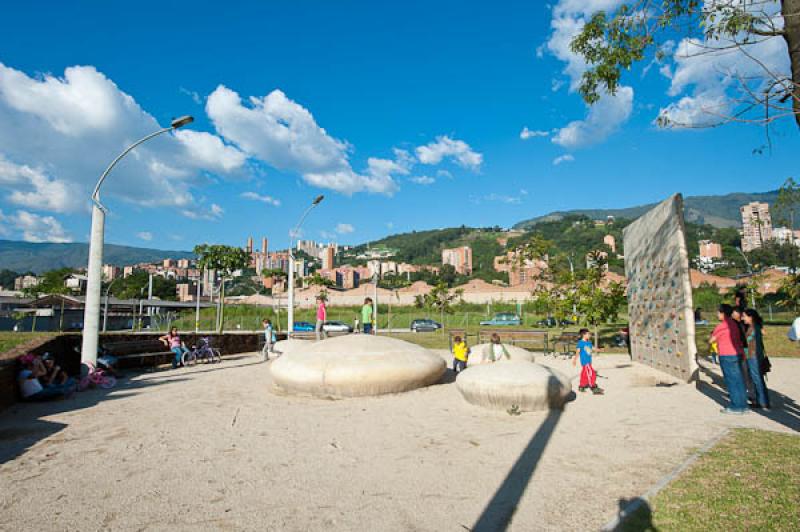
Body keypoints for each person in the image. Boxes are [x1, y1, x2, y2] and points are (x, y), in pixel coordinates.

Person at [710, 304, 748, 414]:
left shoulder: (722, 326)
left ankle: (736, 406)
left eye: (718, 312)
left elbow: (711, 340)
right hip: (738, 353)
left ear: (723, 313)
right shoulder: (735, 324)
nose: (717, 314)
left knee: (731, 381)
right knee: (739, 380)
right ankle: (743, 405)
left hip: (727, 355)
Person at [742, 309, 771, 409]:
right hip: (755, 355)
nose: (743, 318)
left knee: (757, 379)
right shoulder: (756, 327)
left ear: (750, 317)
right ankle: (762, 400)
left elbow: (746, 342)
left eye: (744, 316)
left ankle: (762, 402)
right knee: (758, 379)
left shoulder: (752, 328)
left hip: (752, 356)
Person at [573, 328, 604, 394]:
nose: (590, 335)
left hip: (589, 361)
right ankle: (593, 387)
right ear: (584, 335)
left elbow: (592, 348)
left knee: (584, 374)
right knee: (591, 373)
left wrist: (599, 350)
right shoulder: (581, 343)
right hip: (585, 361)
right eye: (588, 334)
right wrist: (575, 360)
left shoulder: (589, 342)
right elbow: (578, 351)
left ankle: (582, 386)